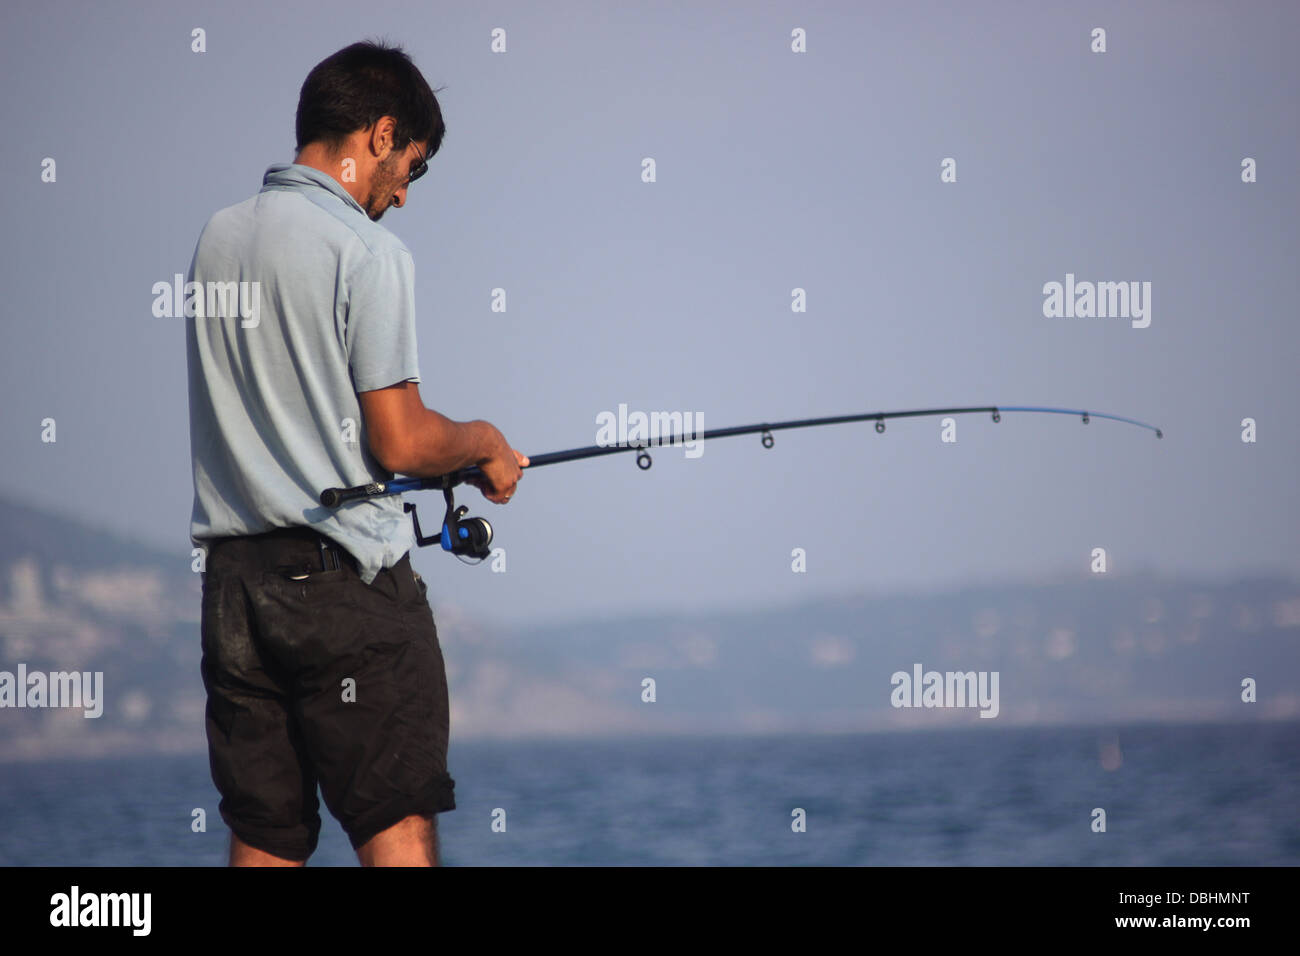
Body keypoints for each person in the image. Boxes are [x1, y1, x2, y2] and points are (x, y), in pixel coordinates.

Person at [185, 40, 527, 867]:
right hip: (343, 590)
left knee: (264, 838)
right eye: (410, 164)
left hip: (234, 590)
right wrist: (482, 444)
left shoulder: (217, 239)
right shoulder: (367, 252)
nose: (403, 195)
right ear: (378, 135)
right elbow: (401, 442)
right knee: (398, 824)